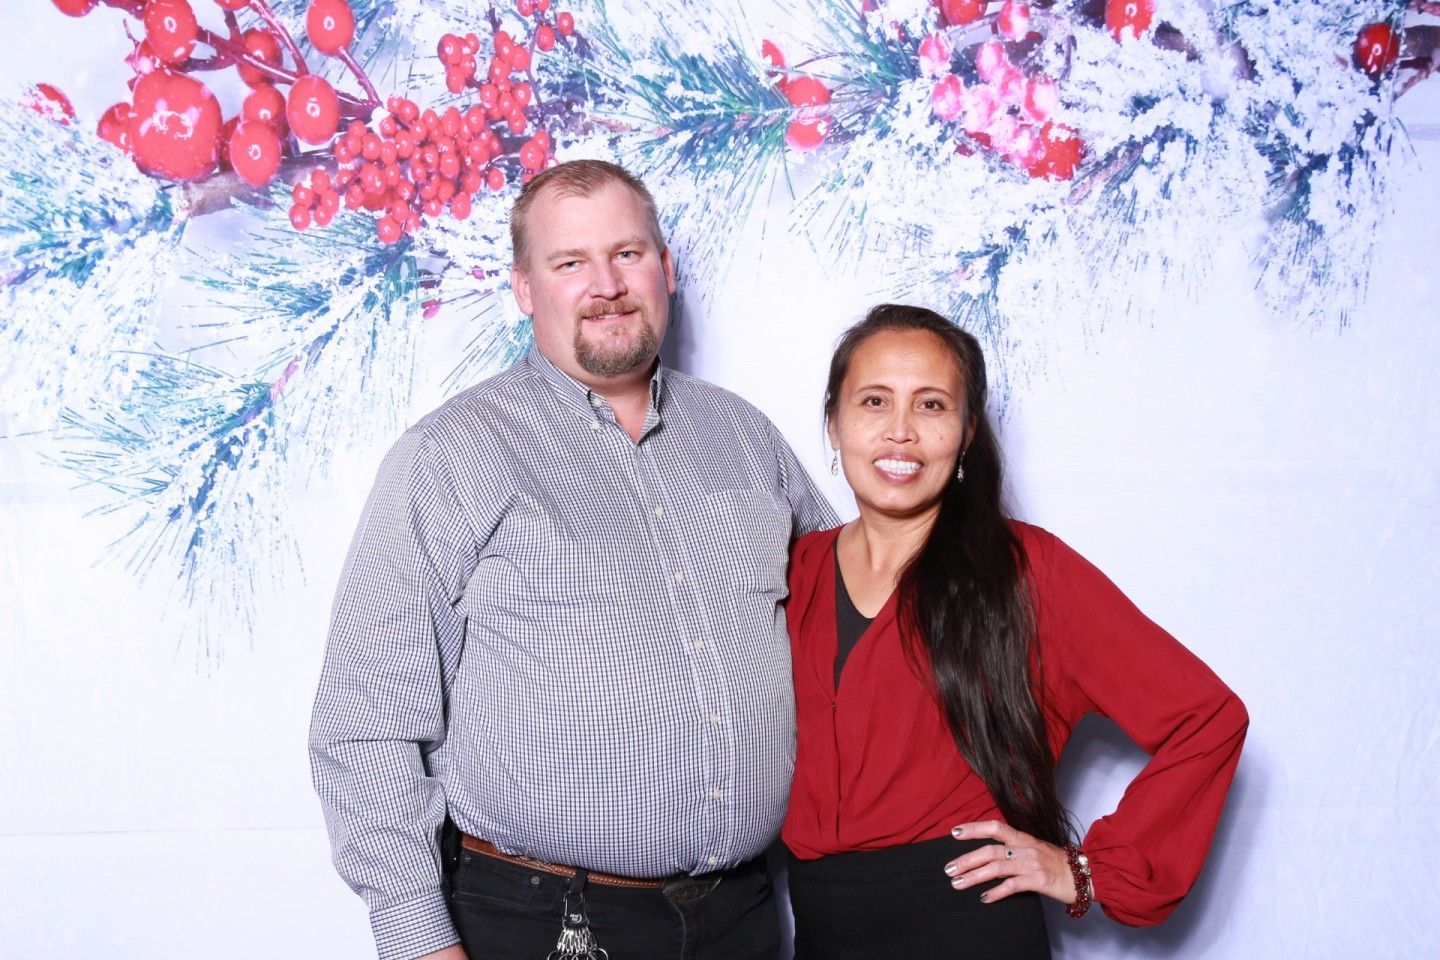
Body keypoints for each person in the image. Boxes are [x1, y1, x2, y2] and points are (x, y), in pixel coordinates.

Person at [309, 159, 835, 960]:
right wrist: (418, 940)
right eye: (570, 262)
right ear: (524, 288)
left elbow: (859, 636)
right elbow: (366, 721)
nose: (607, 284)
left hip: (745, 918)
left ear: (666, 267)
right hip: (545, 925)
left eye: (627, 253)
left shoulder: (746, 438)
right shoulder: (452, 456)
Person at [781, 304, 1248, 958]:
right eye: (875, 401)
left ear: (968, 431)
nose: (901, 432)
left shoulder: (1028, 572)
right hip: (820, 927)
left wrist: (1085, 870)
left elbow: (1205, 717)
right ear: (834, 422)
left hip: (968, 927)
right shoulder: (789, 570)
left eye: (933, 406)